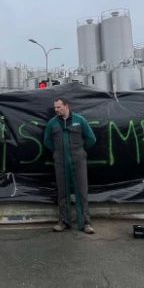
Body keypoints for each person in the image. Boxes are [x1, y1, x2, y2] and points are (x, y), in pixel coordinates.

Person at [43, 97, 97, 234]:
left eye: (59, 107)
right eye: (55, 107)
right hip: (60, 162)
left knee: (81, 192)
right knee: (62, 192)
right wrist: (57, 152)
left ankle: (85, 223)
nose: (56, 110)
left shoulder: (79, 120)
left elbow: (91, 138)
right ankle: (63, 222)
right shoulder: (52, 124)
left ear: (67, 106)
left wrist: (80, 151)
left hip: (78, 161)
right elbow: (47, 141)